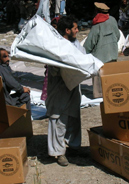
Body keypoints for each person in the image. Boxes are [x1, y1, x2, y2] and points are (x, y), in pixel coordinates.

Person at [45, 15, 85, 167]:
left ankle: (73, 146)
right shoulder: (56, 46)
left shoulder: (76, 44)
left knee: (74, 116)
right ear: (67, 30)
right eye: (75, 28)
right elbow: (54, 68)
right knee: (58, 118)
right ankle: (58, 152)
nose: (77, 30)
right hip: (60, 87)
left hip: (74, 85)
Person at [83, 2, 120, 98]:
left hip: (100, 56)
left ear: (97, 11)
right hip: (112, 53)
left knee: (98, 78)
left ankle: (99, 95)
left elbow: (90, 42)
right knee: (111, 76)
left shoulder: (97, 24)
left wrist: (84, 53)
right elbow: (118, 35)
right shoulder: (112, 20)